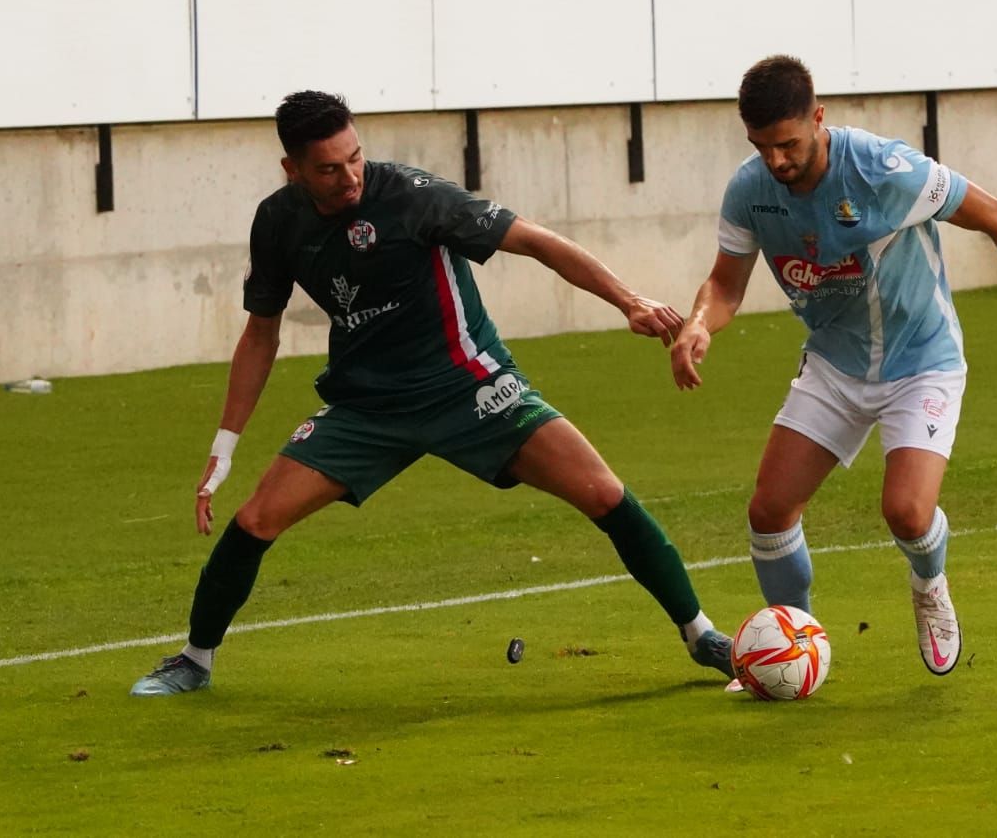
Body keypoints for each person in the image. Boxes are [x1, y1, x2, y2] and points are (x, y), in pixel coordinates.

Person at [131, 91, 734, 696]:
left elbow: (537, 241)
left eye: (355, 158)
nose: (349, 177)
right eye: (329, 168)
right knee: (257, 518)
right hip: (368, 408)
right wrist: (225, 444)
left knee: (603, 492)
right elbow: (261, 332)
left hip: (470, 388)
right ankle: (194, 660)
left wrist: (631, 300)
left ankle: (700, 633)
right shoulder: (277, 221)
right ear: (292, 170)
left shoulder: (414, 197)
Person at [669, 55, 997, 679]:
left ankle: (930, 584)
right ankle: (798, 651)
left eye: (787, 144)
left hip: (921, 359)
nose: (775, 161)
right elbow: (725, 285)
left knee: (905, 512)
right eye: (761, 146)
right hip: (834, 363)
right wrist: (697, 324)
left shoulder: (883, 169)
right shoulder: (750, 190)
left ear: (819, 119)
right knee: (769, 512)